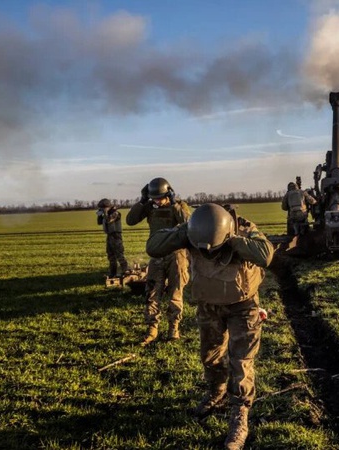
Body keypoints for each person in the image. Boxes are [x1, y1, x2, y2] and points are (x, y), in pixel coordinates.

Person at [146, 203, 273, 450]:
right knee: (210, 356)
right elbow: (153, 247)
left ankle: (239, 415)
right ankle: (216, 392)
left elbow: (265, 255)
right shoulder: (192, 232)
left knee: (241, 362)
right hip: (209, 306)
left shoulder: (244, 230)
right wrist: (183, 233)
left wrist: (235, 241)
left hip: (242, 306)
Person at [126, 177, 191, 346]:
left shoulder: (179, 206)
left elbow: (188, 223)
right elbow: (130, 220)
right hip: (157, 255)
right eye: (153, 198)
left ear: (168, 194)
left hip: (177, 255)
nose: (156, 201)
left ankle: (173, 328)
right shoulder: (149, 207)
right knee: (152, 293)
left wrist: (175, 204)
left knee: (175, 294)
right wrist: (141, 202)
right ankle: (151, 329)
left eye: (159, 198)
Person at [96, 198, 129, 277]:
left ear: (106, 207)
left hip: (116, 235)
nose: (101, 209)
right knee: (111, 255)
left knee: (119, 254)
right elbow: (99, 222)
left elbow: (108, 221)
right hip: (109, 235)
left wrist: (105, 212)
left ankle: (125, 271)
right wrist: (100, 215)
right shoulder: (106, 213)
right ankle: (112, 273)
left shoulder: (115, 213)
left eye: (102, 208)